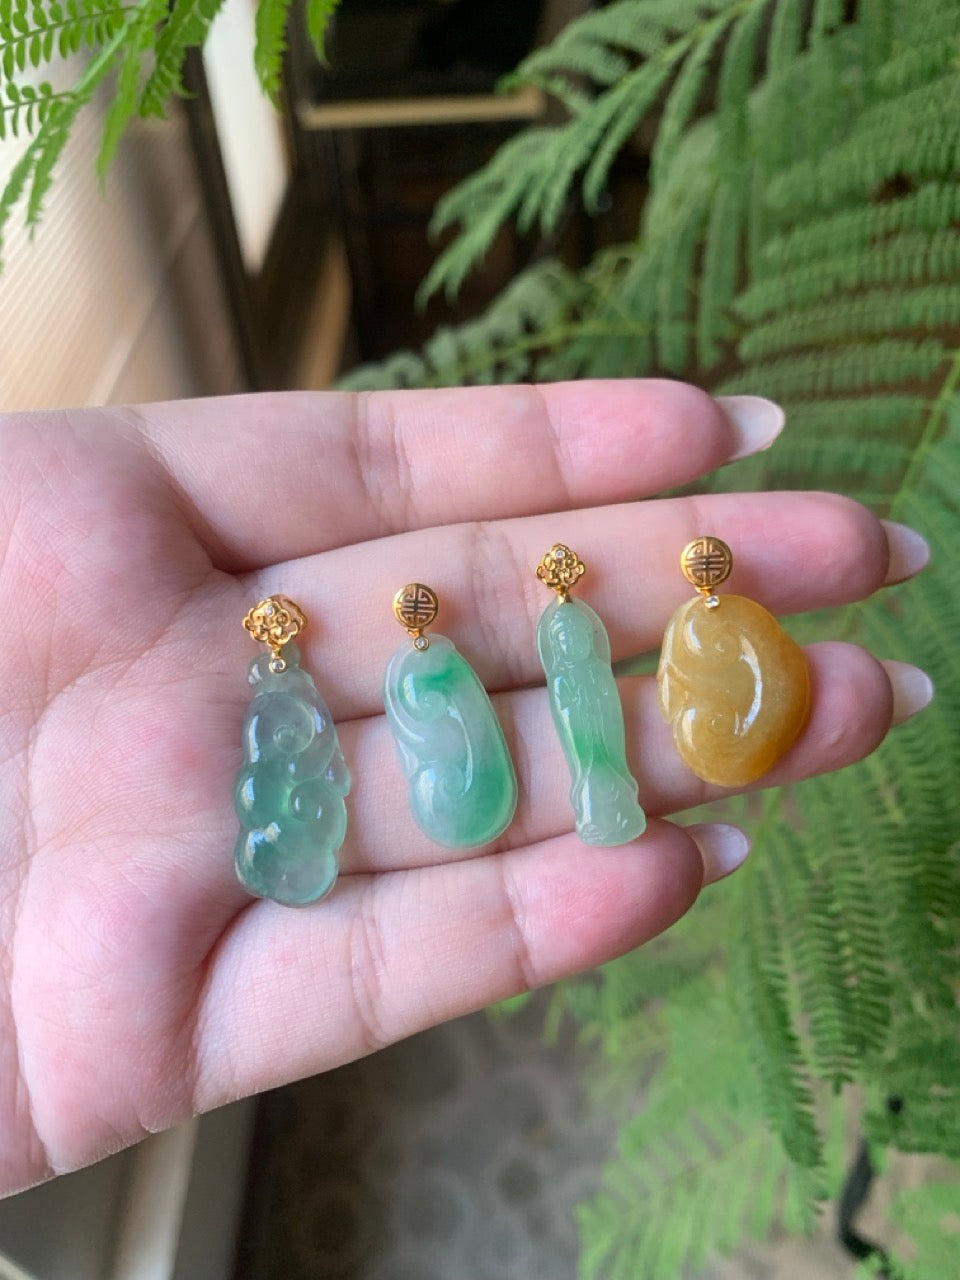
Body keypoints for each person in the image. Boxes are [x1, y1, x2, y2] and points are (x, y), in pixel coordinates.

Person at [0, 380, 932, 1199]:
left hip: (538, 743)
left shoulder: (511, 646)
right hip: (444, 763)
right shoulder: (409, 673)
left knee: (583, 729)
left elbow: (552, 706)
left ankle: (596, 795)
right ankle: (590, 795)